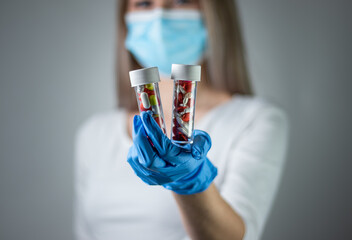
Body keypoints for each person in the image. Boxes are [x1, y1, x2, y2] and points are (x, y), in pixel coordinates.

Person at [74, 0, 289, 239]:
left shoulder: (255, 120)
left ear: (215, 14)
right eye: (144, 3)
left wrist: (190, 182)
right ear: (125, 17)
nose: (160, 16)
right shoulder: (94, 133)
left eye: (181, 0)